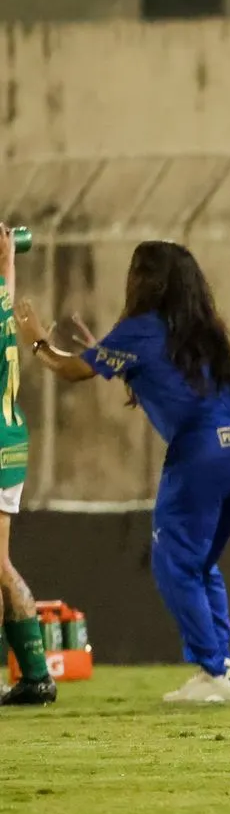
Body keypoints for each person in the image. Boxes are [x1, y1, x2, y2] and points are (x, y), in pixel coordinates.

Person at [17, 241, 230, 703]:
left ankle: (211, 672)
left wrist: (35, 340)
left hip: (202, 450)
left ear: (146, 280)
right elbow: (167, 378)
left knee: (173, 561)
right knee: (200, 562)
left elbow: (70, 370)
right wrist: (113, 360)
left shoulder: (139, 328)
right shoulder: (203, 330)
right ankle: (221, 671)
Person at [0, 227, 55, 706]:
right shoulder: (1, 300)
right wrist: (8, 260)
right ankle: (35, 676)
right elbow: (7, 288)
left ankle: (35, 676)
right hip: (10, 443)